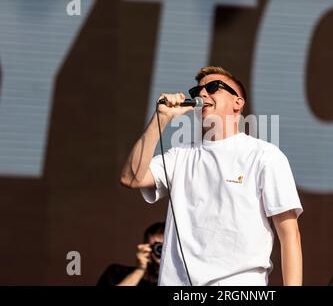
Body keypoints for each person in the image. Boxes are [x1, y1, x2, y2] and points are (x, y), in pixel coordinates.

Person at [120, 66, 303, 286]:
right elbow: (131, 178)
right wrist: (160, 119)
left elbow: (289, 235)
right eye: (197, 91)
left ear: (238, 102)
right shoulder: (180, 155)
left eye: (213, 87)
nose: (202, 94)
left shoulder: (264, 155)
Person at [97, 222, 165, 286]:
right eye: (155, 247)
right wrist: (140, 269)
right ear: (144, 248)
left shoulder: (175, 279)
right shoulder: (117, 273)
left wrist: (166, 267)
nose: (159, 251)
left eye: (163, 247)